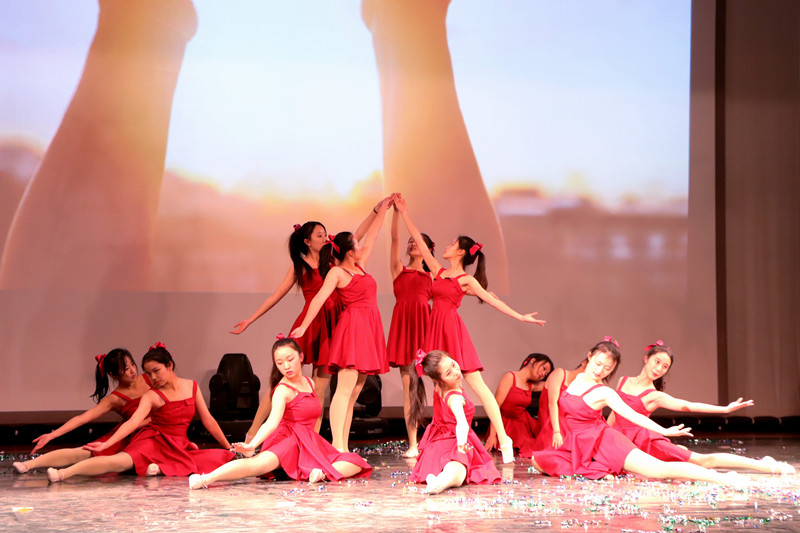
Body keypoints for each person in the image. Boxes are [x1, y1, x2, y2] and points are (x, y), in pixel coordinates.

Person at [395, 194, 545, 462]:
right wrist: (404, 213)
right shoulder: (438, 271)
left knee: (479, 387)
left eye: (452, 244)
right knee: (440, 389)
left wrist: (521, 317)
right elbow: (418, 238)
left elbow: (493, 301)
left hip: (452, 332)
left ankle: (504, 438)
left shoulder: (466, 280)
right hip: (434, 331)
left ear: (461, 252)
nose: (447, 246)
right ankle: (444, 439)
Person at [231, 206, 387, 438]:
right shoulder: (299, 267)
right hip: (310, 324)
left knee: (320, 386)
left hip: (334, 324)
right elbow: (276, 296)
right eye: (320, 235)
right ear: (307, 241)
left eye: (325, 235)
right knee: (281, 381)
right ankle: (253, 432)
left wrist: (376, 211)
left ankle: (311, 439)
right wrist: (250, 320)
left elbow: (358, 236)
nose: (325, 238)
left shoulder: (333, 263)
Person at [531, 340, 744, 485]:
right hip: (578, 444)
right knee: (537, 461)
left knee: (658, 469)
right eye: (598, 363)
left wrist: (665, 431)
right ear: (589, 356)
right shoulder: (577, 379)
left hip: (605, 442)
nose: (599, 370)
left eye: (607, 369)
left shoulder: (604, 392)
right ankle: (599, 470)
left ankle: (722, 478)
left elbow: (633, 415)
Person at [189, 337, 371, 489]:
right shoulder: (282, 390)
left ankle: (321, 474)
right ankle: (206, 479)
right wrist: (252, 445)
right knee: (257, 465)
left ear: (301, 356)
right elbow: (271, 422)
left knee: (355, 461)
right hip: (287, 439)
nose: (286, 366)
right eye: (280, 363)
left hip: (308, 441)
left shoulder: (310, 382)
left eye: (290, 359)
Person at [47, 343, 233, 482]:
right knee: (118, 461)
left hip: (177, 445)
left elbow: (208, 420)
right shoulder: (152, 395)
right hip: (153, 440)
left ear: (169, 365)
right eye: (149, 373)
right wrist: (107, 444)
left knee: (221, 458)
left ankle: (160, 467)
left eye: (156, 371)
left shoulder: (192, 386)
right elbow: (133, 422)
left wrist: (228, 446)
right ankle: (63, 473)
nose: (153, 377)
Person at [291, 197, 392, 452]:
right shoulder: (337, 272)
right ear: (349, 251)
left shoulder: (361, 266)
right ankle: (338, 447)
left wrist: (383, 210)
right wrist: (304, 326)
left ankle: (343, 446)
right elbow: (318, 299)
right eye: (356, 244)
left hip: (369, 329)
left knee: (356, 390)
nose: (361, 245)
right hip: (352, 329)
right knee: (345, 388)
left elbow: (373, 235)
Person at [608, 341, 795, 475]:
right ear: (646, 358)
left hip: (644, 442)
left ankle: (765, 465)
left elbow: (689, 406)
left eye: (665, 367)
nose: (659, 369)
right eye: (657, 362)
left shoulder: (654, 396)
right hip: (620, 440)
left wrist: (725, 410)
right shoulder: (623, 380)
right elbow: (614, 416)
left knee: (703, 460)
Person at [13, 348, 151, 473]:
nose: (133, 370)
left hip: (156, 430)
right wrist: (51, 435)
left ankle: (63, 474)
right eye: (126, 368)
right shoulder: (114, 399)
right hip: (131, 433)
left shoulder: (149, 378)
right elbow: (83, 418)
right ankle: (28, 464)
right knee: (84, 452)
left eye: (132, 364)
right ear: (113, 374)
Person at [407, 350, 501, 494]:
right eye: (448, 373)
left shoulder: (439, 386)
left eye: (453, 364)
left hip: (436, 445)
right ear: (440, 379)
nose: (456, 372)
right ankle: (440, 483)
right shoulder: (455, 398)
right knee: (458, 470)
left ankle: (438, 480)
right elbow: (462, 423)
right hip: (453, 441)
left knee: (455, 469)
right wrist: (461, 443)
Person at [386, 205, 434, 458]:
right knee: (410, 390)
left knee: (439, 384)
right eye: (411, 241)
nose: (412, 244)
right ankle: (413, 443)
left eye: (418, 241)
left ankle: (441, 437)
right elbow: (394, 238)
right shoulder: (399, 270)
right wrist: (396, 213)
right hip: (405, 330)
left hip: (425, 330)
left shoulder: (432, 276)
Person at [484, 353, 553, 457]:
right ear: (533, 361)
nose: (543, 374)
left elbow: (553, 383)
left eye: (546, 373)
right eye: (544, 368)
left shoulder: (531, 385)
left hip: (522, 426)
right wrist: (492, 435)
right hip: (505, 425)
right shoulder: (510, 377)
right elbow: (496, 405)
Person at [531, 357, 588, 452]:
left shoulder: (583, 386)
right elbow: (552, 403)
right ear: (585, 362)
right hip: (551, 424)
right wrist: (557, 431)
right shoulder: (560, 373)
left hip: (566, 425)